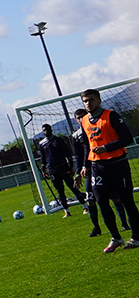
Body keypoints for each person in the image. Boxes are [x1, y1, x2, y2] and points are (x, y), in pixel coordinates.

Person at [77, 88, 139, 252]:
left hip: (118, 164)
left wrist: (106, 148)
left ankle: (136, 237)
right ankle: (116, 238)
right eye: (85, 101)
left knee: (127, 202)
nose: (88, 103)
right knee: (101, 202)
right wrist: (85, 165)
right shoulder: (83, 120)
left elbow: (127, 138)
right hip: (98, 167)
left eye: (91, 100)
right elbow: (86, 145)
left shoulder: (112, 116)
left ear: (99, 100)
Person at [34, 122, 85, 217]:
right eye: (44, 130)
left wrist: (71, 165)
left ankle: (84, 206)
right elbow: (43, 158)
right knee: (60, 191)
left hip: (63, 167)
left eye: (47, 129)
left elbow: (67, 153)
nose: (46, 131)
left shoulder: (59, 140)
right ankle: (67, 211)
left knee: (72, 186)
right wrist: (44, 169)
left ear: (51, 130)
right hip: (52, 170)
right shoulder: (42, 144)